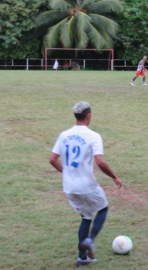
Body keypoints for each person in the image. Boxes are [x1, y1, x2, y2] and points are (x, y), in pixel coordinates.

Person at [49, 102, 122, 267]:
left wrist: (67, 173)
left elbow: (52, 159)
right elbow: (100, 162)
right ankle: (90, 240)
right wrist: (114, 177)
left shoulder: (64, 135)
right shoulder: (93, 136)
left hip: (69, 187)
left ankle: (82, 257)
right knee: (103, 208)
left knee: (86, 216)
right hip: (86, 185)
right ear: (88, 115)